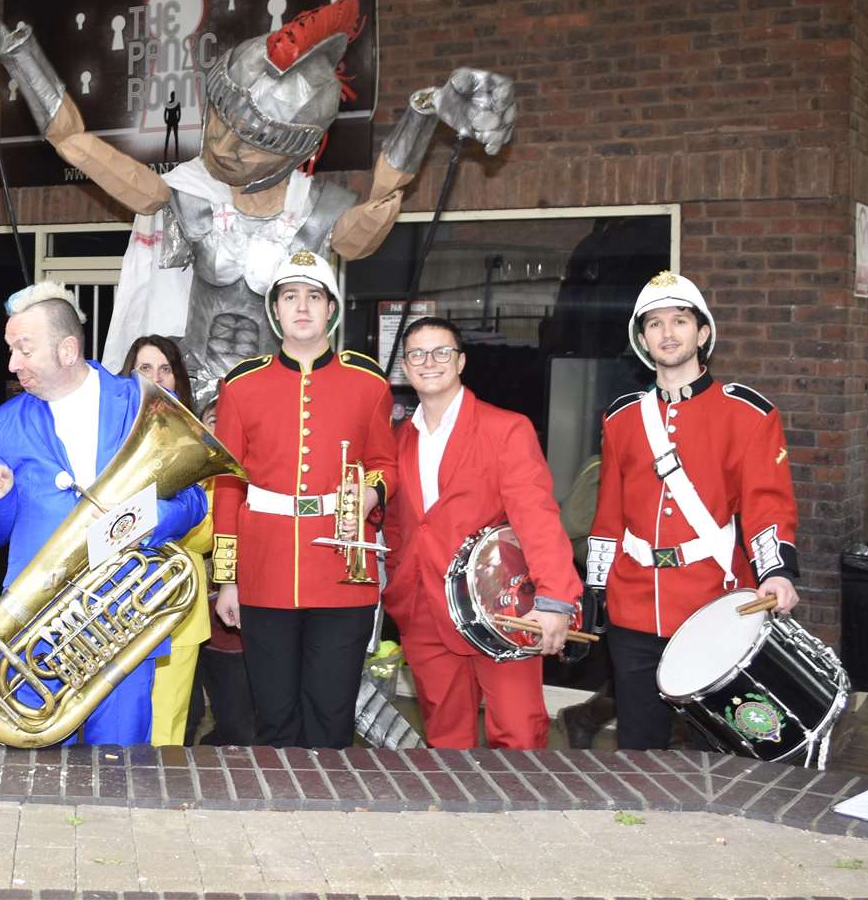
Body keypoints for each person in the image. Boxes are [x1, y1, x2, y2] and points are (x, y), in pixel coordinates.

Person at [0, 0, 516, 410]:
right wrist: (15, 50)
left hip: (279, 401)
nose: (226, 147)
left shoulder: (317, 211)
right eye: (221, 122)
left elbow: (376, 217)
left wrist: (425, 118)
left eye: (255, 140)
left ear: (297, 147)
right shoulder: (184, 199)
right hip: (177, 393)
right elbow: (76, 144)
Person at [0, 282, 208, 744]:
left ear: (66, 349)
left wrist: (140, 518)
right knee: (37, 778)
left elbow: (194, 501)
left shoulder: (140, 402)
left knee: (118, 774)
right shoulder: (5, 422)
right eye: (10, 349)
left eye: (23, 349)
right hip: (35, 629)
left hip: (122, 621)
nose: (12, 364)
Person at [585, 271, 800, 751]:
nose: (667, 333)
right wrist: (597, 588)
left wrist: (776, 571)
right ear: (643, 339)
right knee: (638, 746)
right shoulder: (621, 417)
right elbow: (609, 512)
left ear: (702, 333)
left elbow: (767, 501)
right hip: (634, 602)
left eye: (679, 321)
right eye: (655, 324)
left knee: (717, 748)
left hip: (713, 601)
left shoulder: (747, 413)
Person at [211, 250, 395, 749]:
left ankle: (326, 815)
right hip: (264, 571)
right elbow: (228, 485)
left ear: (331, 309)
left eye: (314, 296)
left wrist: (372, 490)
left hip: (341, 569)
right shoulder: (241, 385)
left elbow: (385, 461)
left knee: (332, 715)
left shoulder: (370, 383)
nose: (302, 307)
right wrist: (227, 579)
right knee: (273, 715)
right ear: (275, 310)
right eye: (290, 297)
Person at [381, 317, 581, 749]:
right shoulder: (399, 440)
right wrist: (398, 580)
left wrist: (555, 599)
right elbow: (397, 523)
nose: (429, 362)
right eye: (417, 354)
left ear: (461, 361)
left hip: (501, 610)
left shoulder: (506, 429)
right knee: (444, 737)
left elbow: (537, 519)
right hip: (424, 610)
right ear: (405, 367)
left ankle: (519, 817)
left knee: (518, 733)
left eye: (441, 353)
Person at [118, 335, 211, 746]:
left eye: (165, 369)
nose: (156, 378)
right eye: (144, 369)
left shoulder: (198, 446)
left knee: (168, 729)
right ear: (128, 375)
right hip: (114, 599)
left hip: (177, 601)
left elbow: (207, 533)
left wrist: (162, 521)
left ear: (179, 380)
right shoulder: (108, 437)